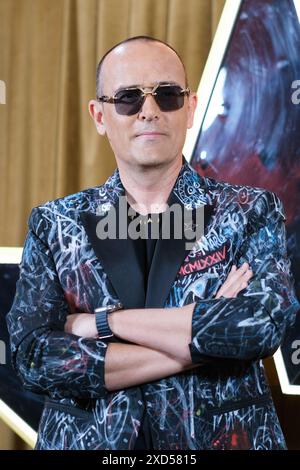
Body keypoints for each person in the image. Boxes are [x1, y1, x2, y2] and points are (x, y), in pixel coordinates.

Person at [7, 36, 299, 450]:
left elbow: (260, 325)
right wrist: (206, 334)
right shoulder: (55, 224)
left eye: (167, 96)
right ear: (99, 115)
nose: (149, 111)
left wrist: (105, 323)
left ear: (191, 108)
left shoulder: (250, 210)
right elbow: (35, 358)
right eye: (128, 98)